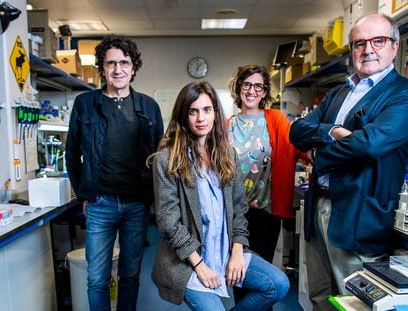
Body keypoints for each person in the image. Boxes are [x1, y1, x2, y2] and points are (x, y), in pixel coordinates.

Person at [289, 13, 408, 310]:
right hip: (319, 207)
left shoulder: (402, 94)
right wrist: (331, 131)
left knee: (354, 302)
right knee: (320, 297)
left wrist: (320, 155)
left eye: (378, 41)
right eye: (359, 43)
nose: (368, 49)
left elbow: (370, 144)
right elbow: (297, 130)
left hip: (359, 215)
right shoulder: (338, 93)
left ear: (394, 46)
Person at [149, 81, 289, 310]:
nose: (200, 118)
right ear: (183, 116)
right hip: (189, 261)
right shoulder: (167, 159)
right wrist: (200, 266)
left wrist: (236, 252)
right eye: (192, 111)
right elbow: (168, 223)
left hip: (225, 253)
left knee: (278, 284)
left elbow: (239, 208)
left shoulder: (226, 155)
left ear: (215, 112)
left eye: (207, 110)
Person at [65, 35, 164, 310]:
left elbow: (161, 158)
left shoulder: (148, 107)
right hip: (100, 203)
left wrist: (157, 198)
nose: (117, 69)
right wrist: (83, 193)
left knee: (130, 275)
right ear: (102, 67)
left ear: (133, 68)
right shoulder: (85, 104)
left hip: (136, 203)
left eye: (124, 62)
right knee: (96, 278)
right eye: (111, 63)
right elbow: (71, 152)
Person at [227, 65, 308, 264]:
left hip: (265, 212)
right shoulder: (227, 125)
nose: (252, 91)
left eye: (258, 86)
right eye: (246, 84)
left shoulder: (275, 119)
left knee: (262, 270)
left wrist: (332, 154)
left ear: (264, 92)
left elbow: (298, 146)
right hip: (234, 213)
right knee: (238, 273)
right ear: (238, 88)